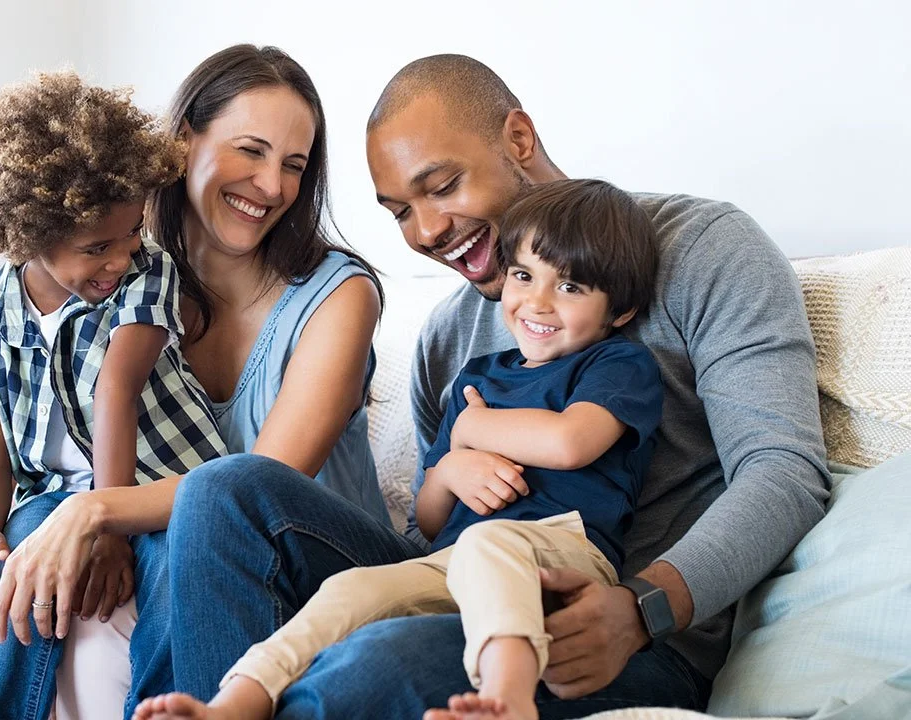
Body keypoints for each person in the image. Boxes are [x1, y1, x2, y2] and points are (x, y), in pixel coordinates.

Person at [145, 54, 829, 719]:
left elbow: (783, 472)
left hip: (617, 629)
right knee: (222, 490)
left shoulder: (703, 248)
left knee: (377, 662)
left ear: (519, 140)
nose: (428, 231)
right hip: (462, 583)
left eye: (441, 187)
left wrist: (642, 608)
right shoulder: (449, 338)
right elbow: (430, 530)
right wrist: (450, 472)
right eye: (400, 212)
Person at [0, 44, 392, 720]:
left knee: (211, 507)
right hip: (191, 536)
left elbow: (256, 488)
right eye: (251, 150)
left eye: (293, 165)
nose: (274, 185)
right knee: (39, 539)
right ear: (183, 139)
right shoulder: (118, 279)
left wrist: (94, 512)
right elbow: (50, 443)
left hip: (320, 556)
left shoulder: (337, 297)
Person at [134, 178, 663, 720]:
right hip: (452, 561)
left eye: (571, 288)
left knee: (490, 545)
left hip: (560, 555)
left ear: (618, 311)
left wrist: (472, 432)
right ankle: (233, 702)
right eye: (524, 276)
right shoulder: (478, 379)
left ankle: (507, 700)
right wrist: (452, 465)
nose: (538, 302)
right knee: (350, 591)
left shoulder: (616, 365)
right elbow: (430, 520)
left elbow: (571, 442)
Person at [0, 69, 229, 720]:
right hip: (53, 497)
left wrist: (111, 531)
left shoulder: (146, 273)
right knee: (21, 570)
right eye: (97, 247)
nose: (120, 259)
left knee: (179, 574)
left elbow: (115, 393)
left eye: (130, 235)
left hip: (164, 487)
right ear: (27, 236)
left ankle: (163, 709)